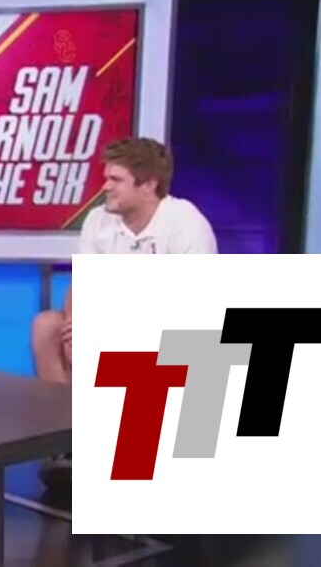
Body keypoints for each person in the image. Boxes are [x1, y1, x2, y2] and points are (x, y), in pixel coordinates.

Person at [32, 137, 217, 485]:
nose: (105, 187)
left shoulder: (185, 224)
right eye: (106, 178)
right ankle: (69, 440)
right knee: (47, 326)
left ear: (148, 185)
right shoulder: (98, 220)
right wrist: (75, 326)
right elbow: (83, 285)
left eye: (115, 180)